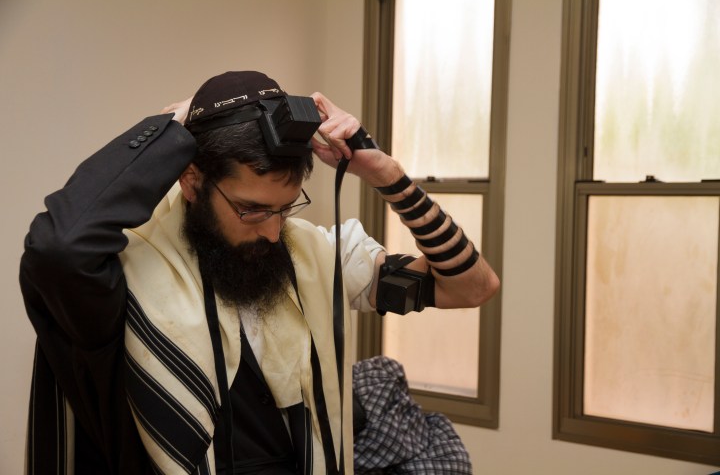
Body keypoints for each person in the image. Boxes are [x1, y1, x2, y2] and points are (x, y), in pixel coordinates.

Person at [19, 71, 499, 475]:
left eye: (285, 209)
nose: (273, 231)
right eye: (251, 210)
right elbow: (58, 247)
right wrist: (172, 126)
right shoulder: (124, 275)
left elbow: (472, 286)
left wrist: (388, 176)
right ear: (192, 180)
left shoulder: (315, 258)